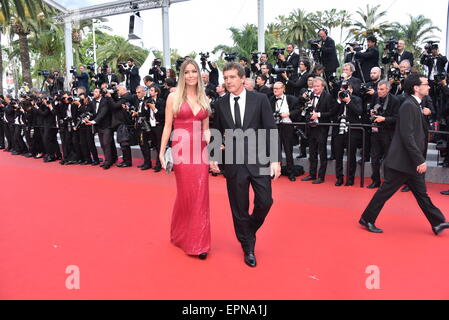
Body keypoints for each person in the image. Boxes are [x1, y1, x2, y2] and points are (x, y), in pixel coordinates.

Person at [210, 62, 282, 268]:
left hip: (258, 158)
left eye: (232, 77)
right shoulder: (221, 103)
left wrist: (276, 160)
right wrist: (214, 155)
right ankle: (247, 246)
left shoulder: (259, 100)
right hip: (234, 161)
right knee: (239, 207)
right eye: (225, 78)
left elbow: (271, 129)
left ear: (242, 78)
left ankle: (247, 230)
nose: (228, 81)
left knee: (265, 201)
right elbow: (218, 129)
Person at [359, 74, 449, 235]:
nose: (429, 86)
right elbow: (407, 136)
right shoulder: (409, 105)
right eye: (425, 84)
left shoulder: (415, 105)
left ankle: (437, 222)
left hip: (410, 163)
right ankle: (367, 219)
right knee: (385, 192)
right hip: (402, 162)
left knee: (422, 194)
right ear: (416, 87)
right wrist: (419, 159)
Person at [159, 59, 212, 260]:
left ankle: (198, 243)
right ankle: (181, 234)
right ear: (182, 75)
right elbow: (167, 126)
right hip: (181, 150)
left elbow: (206, 130)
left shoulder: (204, 98)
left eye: (194, 71)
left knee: (200, 194)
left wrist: (212, 152)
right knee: (186, 194)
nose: (191, 75)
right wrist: (163, 152)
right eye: (187, 72)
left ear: (199, 74)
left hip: (200, 152)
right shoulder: (173, 97)